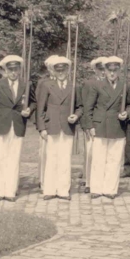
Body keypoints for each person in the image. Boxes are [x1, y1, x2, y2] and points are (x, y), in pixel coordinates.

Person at [0, 55, 36, 202]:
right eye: (10, 69)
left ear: (20, 70)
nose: (13, 72)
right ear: (5, 70)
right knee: (0, 158)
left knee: (14, 158)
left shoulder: (26, 84)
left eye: (16, 69)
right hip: (1, 125)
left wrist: (29, 110)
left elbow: (33, 102)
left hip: (18, 125)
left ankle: (10, 191)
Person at [84, 56, 130, 199]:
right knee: (99, 158)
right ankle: (96, 188)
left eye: (115, 70)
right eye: (109, 70)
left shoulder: (125, 85)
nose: (112, 73)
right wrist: (90, 125)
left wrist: (126, 113)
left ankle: (110, 189)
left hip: (117, 126)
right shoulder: (97, 85)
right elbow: (89, 108)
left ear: (119, 70)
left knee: (114, 159)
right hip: (100, 125)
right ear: (104, 71)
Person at [36, 56, 82, 200]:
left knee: (65, 158)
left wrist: (76, 115)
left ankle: (63, 190)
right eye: (58, 70)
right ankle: (49, 190)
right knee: (51, 158)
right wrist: (42, 128)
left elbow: (80, 107)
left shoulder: (74, 86)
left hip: (67, 127)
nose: (61, 73)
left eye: (64, 70)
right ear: (54, 71)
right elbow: (40, 108)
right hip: (52, 126)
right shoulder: (47, 85)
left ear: (68, 70)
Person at [80, 57, 106, 193]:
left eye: (105, 69)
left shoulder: (111, 83)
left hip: (106, 125)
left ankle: (102, 181)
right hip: (92, 125)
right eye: (100, 69)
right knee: (90, 153)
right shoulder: (89, 84)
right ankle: (89, 182)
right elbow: (85, 106)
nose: (103, 72)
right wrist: (87, 125)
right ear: (95, 70)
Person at [35, 56, 58, 191]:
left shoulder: (65, 81)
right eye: (51, 67)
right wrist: (41, 125)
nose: (53, 70)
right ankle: (43, 180)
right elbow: (40, 104)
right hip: (47, 123)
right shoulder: (43, 83)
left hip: (59, 124)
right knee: (45, 153)